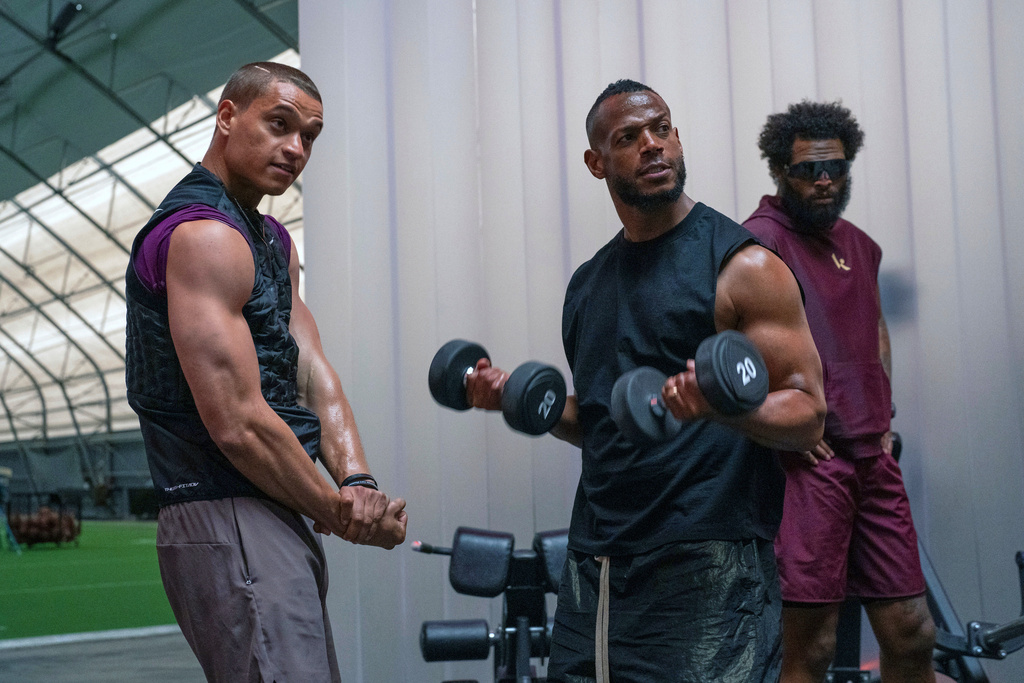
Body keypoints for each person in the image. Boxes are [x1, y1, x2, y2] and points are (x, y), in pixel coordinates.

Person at [465, 79, 826, 682]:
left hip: (707, 555)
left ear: (678, 137)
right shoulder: (587, 285)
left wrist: (720, 410)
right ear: (596, 163)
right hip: (596, 561)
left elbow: (808, 412)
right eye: (629, 138)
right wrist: (527, 402)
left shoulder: (744, 266)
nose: (653, 145)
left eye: (661, 128)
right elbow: (609, 422)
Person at [124, 62, 407, 682]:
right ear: (227, 116)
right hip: (225, 508)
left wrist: (358, 480)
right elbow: (239, 425)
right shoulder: (203, 236)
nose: (296, 148)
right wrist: (342, 512)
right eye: (279, 125)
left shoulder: (273, 240)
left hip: (272, 506)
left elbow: (311, 371)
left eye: (309, 136)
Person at [743, 100, 936, 683]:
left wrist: (882, 411)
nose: (824, 180)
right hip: (809, 468)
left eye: (836, 168)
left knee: (911, 633)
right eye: (808, 170)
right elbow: (730, 359)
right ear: (780, 171)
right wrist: (778, 432)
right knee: (813, 648)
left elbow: (873, 326)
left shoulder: (858, 244)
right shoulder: (757, 245)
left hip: (872, 461)